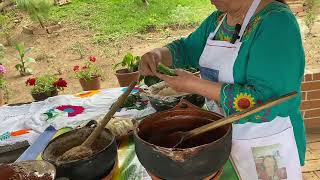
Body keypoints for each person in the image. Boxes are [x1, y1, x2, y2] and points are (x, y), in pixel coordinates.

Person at [139, 0, 306, 169]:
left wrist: (194, 85)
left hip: (266, 144)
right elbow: (186, 49)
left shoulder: (277, 23)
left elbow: (266, 101)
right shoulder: (218, 20)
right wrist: (158, 55)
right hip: (223, 137)